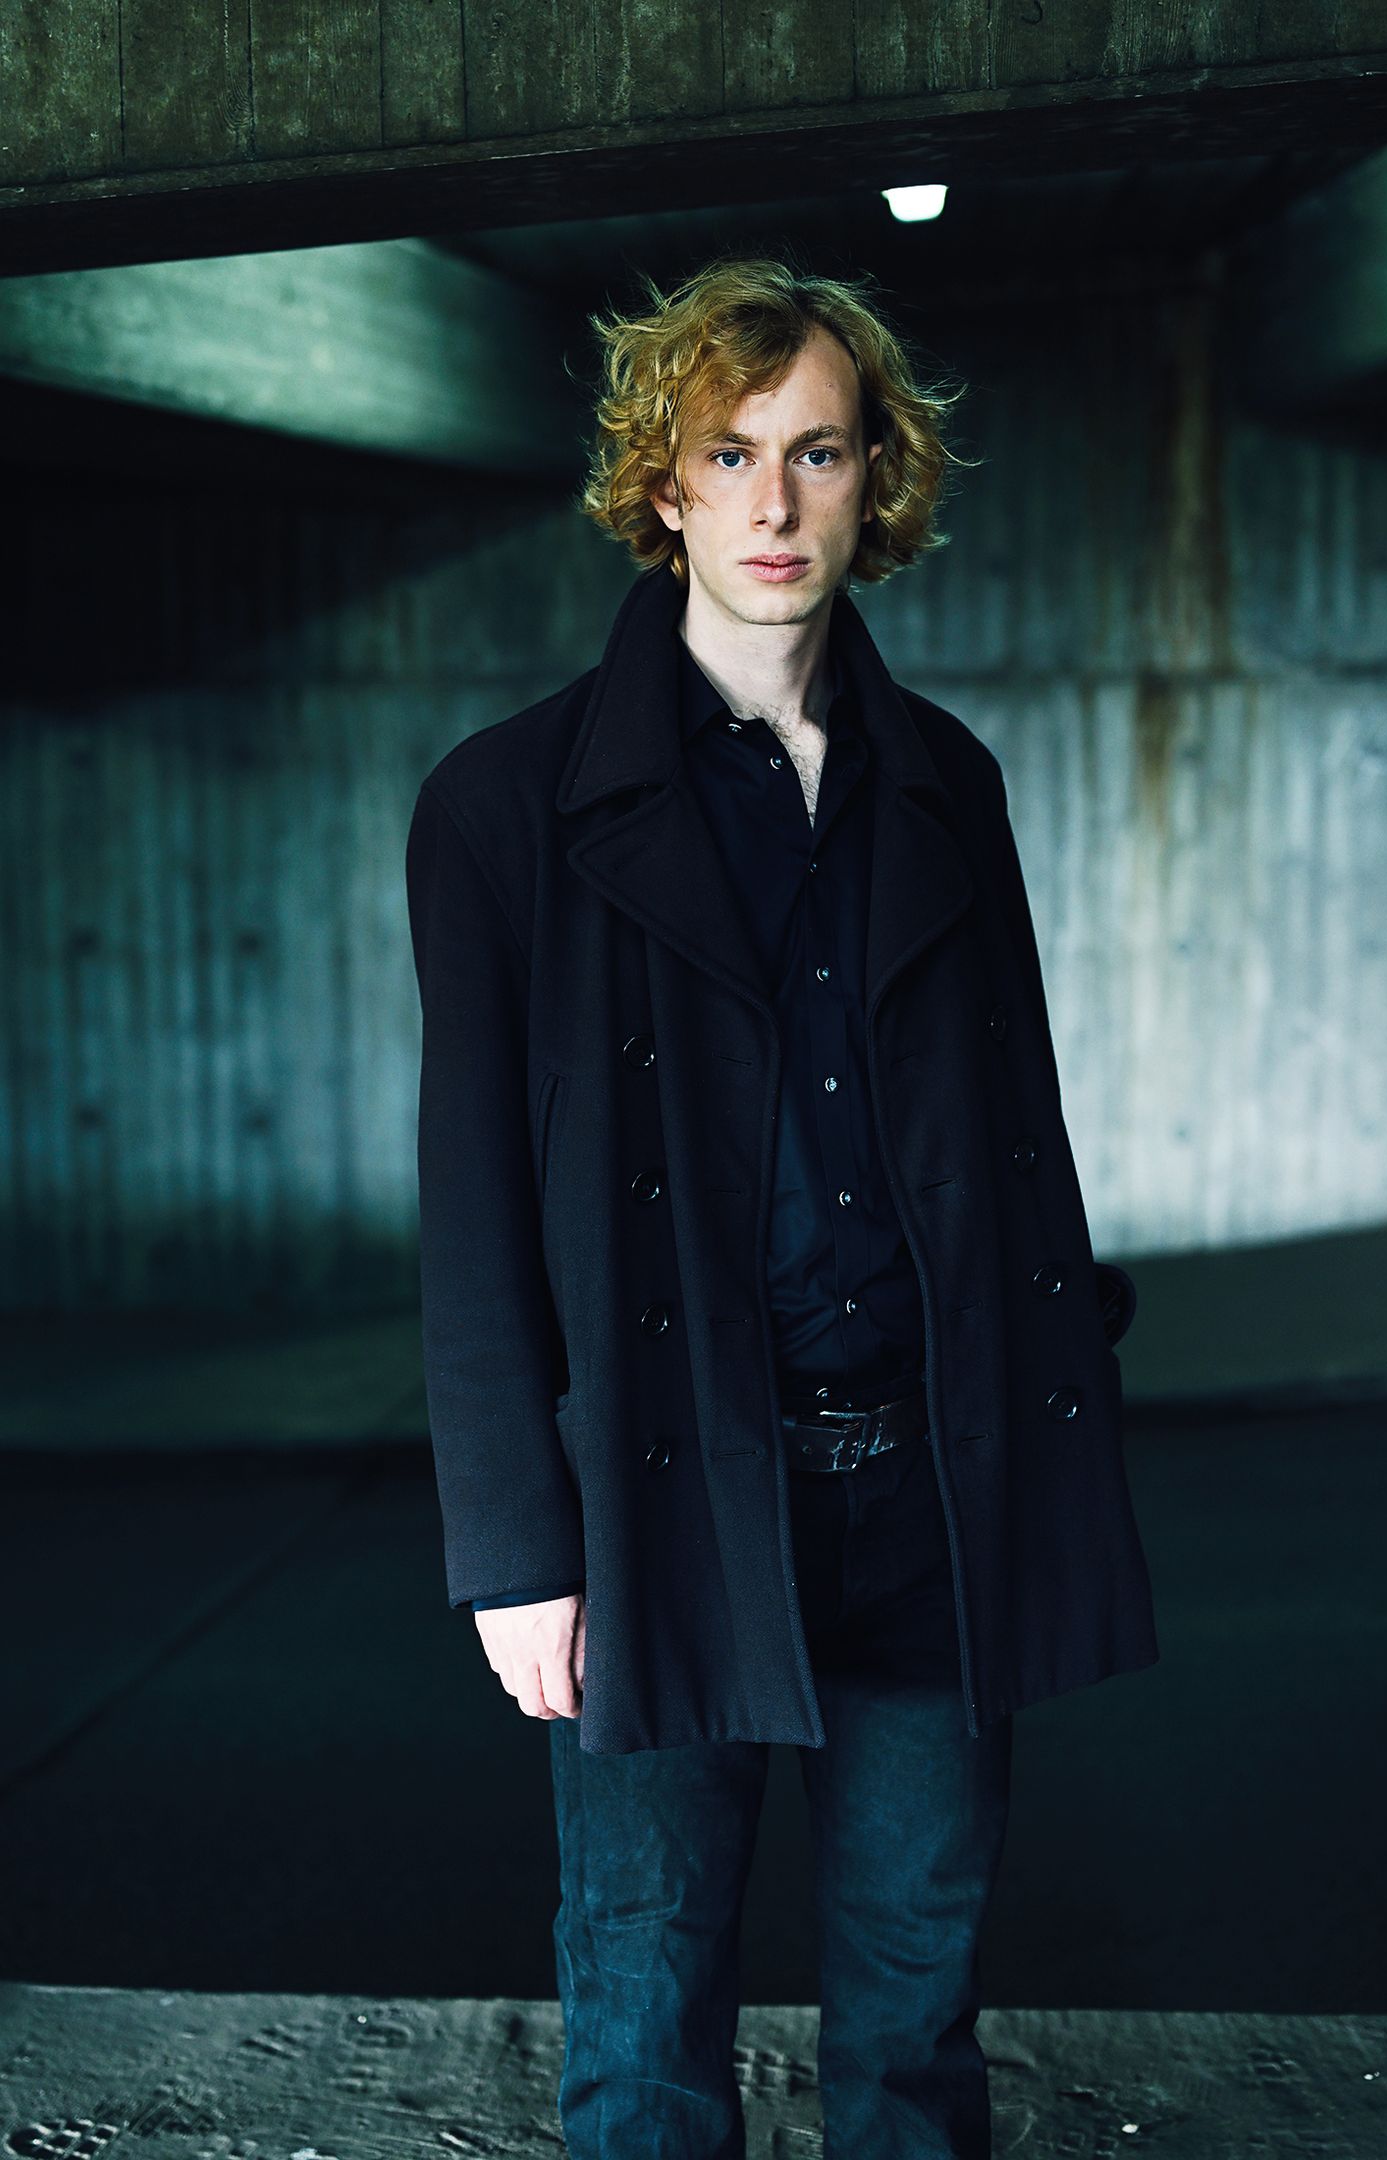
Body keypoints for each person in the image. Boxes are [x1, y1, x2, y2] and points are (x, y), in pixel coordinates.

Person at [404, 255, 1158, 2159]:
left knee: (917, 2014)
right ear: (661, 486)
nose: (773, 501)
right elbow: (472, 1205)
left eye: (816, 451)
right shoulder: (502, 809)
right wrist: (515, 1546)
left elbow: (1013, 1138)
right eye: (726, 453)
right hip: (658, 1491)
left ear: (873, 477)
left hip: (926, 1486)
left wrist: (1059, 1416)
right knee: (644, 2009)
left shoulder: (947, 784)